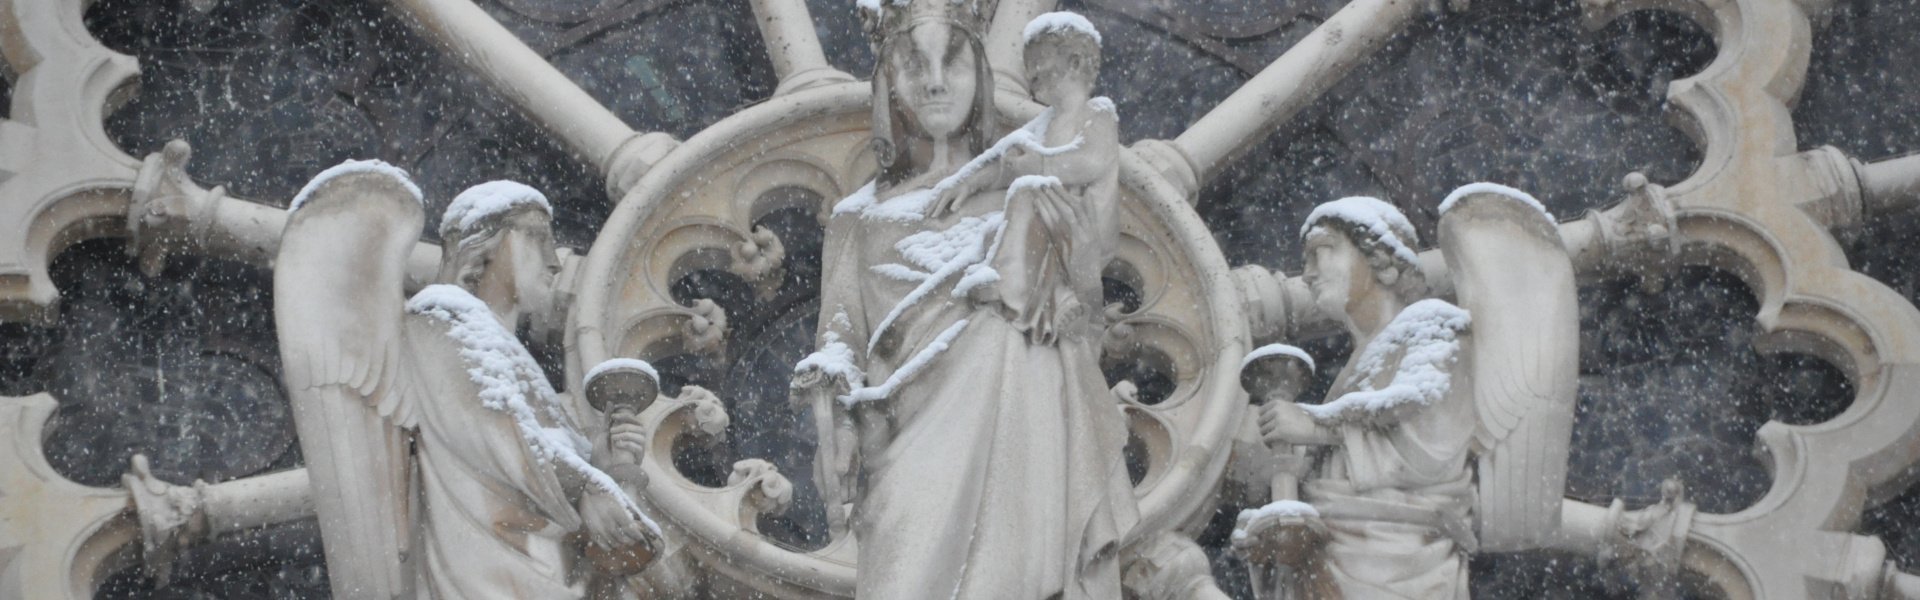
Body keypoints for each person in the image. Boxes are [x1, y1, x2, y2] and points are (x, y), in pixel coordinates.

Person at [794, 2, 1137, 598]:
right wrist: (837, 414)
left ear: (982, 75)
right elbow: (841, 333)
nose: (933, 82)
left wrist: (1070, 245)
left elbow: (1080, 311)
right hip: (906, 429)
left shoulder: (1023, 187)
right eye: (912, 64)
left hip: (1021, 407)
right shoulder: (859, 217)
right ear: (887, 86)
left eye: (953, 63)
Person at [1251, 196, 1476, 599]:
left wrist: (1317, 426)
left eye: (1323, 252)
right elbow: (1341, 475)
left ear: (1379, 257)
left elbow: (1428, 436)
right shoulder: (1357, 365)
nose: (1307, 274)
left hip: (1398, 563)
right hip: (1343, 566)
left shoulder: (1433, 328)